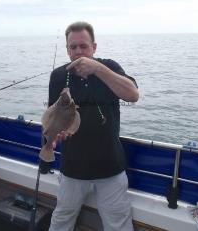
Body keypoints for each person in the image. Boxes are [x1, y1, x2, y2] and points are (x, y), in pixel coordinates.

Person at [45, 22, 139, 231]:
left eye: (83, 46)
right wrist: (54, 136)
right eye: (73, 47)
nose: (78, 51)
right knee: (62, 219)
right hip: (72, 167)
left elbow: (133, 95)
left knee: (118, 224)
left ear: (94, 47)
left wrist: (97, 68)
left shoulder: (110, 67)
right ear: (67, 49)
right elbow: (52, 113)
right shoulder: (59, 76)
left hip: (110, 167)